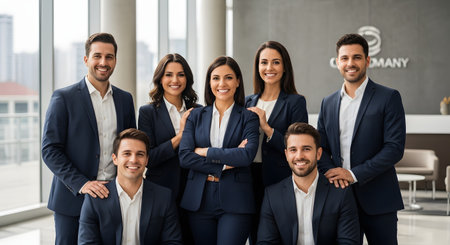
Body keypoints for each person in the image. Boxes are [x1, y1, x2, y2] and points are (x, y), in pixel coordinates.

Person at [41, 33, 136, 245]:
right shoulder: (63, 98)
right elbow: (50, 150)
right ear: (86, 59)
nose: (103, 62)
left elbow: (130, 147)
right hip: (73, 197)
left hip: (113, 196)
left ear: (115, 61)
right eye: (97, 56)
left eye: (109, 57)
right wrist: (82, 184)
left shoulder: (125, 99)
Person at [317, 33, 405, 244]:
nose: (350, 63)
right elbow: (320, 147)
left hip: (379, 200)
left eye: (356, 57)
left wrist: (353, 174)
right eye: (345, 58)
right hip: (339, 198)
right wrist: (334, 174)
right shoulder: (327, 103)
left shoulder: (389, 97)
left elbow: (394, 148)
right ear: (337, 62)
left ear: (367, 60)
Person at [179, 56, 259, 245]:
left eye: (228, 77)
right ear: (209, 82)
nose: (222, 83)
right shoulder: (195, 116)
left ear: (238, 81)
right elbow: (185, 157)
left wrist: (205, 151)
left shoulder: (249, 117)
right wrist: (224, 164)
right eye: (216, 78)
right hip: (199, 198)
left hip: (236, 200)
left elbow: (246, 155)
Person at [245, 41, 308, 244]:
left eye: (275, 62)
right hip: (247, 178)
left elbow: (298, 147)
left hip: (278, 178)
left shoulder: (295, 102)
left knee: (278, 235)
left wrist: (267, 127)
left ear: (284, 66)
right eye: (264, 62)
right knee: (254, 234)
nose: (269, 68)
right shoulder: (247, 101)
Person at [257, 122, 360, 245]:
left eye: (306, 149)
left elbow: (348, 242)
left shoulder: (340, 193)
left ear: (318, 153)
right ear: (286, 154)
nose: (299, 156)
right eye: (293, 150)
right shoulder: (272, 195)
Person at [78, 128, 182, 244]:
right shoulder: (94, 199)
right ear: (115, 159)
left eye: (140, 154)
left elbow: (173, 242)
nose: (133, 160)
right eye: (127, 153)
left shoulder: (164, 197)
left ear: (147, 160)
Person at [138, 53, 200, 244]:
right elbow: (149, 157)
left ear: (187, 78)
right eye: (168, 74)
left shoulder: (199, 110)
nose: (175, 80)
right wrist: (180, 137)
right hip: (160, 192)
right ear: (160, 78)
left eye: (180, 74)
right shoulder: (147, 113)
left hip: (194, 191)